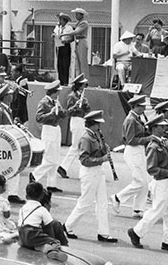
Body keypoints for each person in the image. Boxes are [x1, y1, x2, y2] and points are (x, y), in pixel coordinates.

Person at [127, 117, 168, 252]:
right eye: (162, 127)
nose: (165, 129)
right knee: (158, 210)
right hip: (161, 181)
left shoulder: (165, 142)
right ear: (154, 128)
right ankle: (136, 232)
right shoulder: (153, 146)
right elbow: (151, 169)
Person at [63, 110, 117, 243]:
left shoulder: (96, 135)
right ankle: (68, 225)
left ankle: (103, 233)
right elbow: (84, 160)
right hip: (89, 172)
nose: (100, 126)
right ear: (92, 124)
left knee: (102, 203)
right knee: (86, 202)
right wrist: (102, 159)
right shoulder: (86, 138)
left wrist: (105, 150)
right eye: (98, 124)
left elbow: (99, 151)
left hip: (98, 172)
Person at [111, 95, 152, 219]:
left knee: (144, 182)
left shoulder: (138, 118)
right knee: (139, 182)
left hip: (139, 150)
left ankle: (138, 209)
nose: (144, 108)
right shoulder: (131, 120)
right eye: (142, 106)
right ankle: (118, 198)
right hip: (133, 151)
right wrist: (148, 139)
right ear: (136, 106)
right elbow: (130, 140)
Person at [17, 181, 68, 262]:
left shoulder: (22, 209)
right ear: (41, 196)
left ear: (26, 196)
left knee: (37, 244)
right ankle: (53, 251)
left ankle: (46, 249)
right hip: (33, 234)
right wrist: (51, 240)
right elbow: (49, 227)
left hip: (22, 238)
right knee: (55, 242)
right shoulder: (42, 210)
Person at [33, 80, 66, 193]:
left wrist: (61, 112)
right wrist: (51, 113)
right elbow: (38, 118)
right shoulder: (44, 102)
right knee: (49, 158)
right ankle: (35, 174)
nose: (58, 94)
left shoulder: (56, 102)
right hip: (48, 129)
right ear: (53, 92)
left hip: (56, 128)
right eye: (57, 92)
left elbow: (63, 114)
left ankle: (51, 184)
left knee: (56, 158)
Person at [58, 74, 89, 180]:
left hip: (82, 120)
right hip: (76, 121)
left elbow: (88, 110)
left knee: (80, 146)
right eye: (83, 85)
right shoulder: (72, 96)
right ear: (79, 85)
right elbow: (68, 111)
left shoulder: (82, 96)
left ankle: (67, 167)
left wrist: (85, 104)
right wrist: (76, 106)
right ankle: (63, 167)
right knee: (75, 146)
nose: (84, 87)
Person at [53, 13, 74, 85]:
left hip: (65, 45)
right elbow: (54, 33)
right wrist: (53, 35)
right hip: (59, 45)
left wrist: (66, 41)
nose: (59, 21)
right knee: (59, 64)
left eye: (61, 19)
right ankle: (60, 80)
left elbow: (72, 38)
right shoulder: (57, 27)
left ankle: (65, 81)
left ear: (65, 21)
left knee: (65, 63)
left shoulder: (69, 28)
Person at [70, 8, 89, 80]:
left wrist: (65, 34)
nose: (76, 16)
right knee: (77, 62)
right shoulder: (77, 23)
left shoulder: (84, 23)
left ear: (81, 15)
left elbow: (76, 32)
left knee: (82, 62)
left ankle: (85, 79)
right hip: (77, 41)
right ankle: (79, 78)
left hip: (82, 41)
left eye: (77, 14)